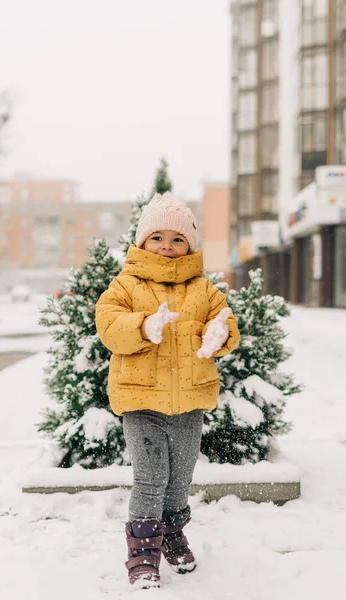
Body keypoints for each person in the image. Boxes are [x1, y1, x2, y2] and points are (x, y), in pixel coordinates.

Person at [95, 192, 240, 589]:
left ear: (190, 244)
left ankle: (173, 533)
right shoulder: (125, 285)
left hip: (190, 401)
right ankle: (142, 554)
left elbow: (225, 322)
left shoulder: (204, 289)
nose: (167, 246)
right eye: (157, 237)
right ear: (142, 241)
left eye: (178, 239)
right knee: (151, 477)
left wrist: (219, 334)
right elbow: (108, 326)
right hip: (142, 402)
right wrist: (142, 327)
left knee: (179, 479)